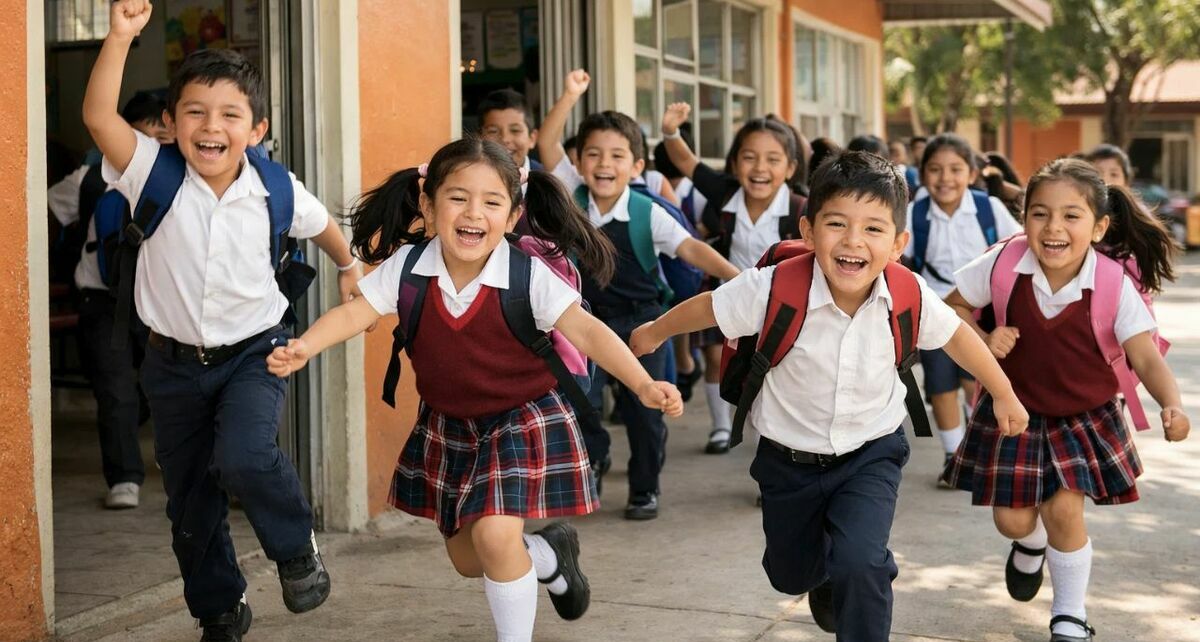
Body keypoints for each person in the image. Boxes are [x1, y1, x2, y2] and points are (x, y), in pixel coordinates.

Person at [267, 137, 683, 642]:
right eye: (458, 197)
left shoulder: (528, 275)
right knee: (470, 559)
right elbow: (358, 311)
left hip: (522, 416)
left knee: (493, 533)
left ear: (512, 217)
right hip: (450, 422)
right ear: (428, 203)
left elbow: (588, 331)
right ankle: (549, 557)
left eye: (491, 202)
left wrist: (641, 383)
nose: (473, 213)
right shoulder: (410, 268)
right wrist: (305, 346)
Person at [629, 151, 1028, 642]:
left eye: (874, 229)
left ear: (899, 243)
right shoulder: (774, 287)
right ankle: (832, 573)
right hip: (786, 459)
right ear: (809, 230)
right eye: (837, 223)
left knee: (862, 560)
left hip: (870, 452)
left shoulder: (909, 294)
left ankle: (862, 569)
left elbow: (958, 337)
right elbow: (709, 308)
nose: (854, 241)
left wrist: (1004, 393)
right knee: (789, 574)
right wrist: (654, 331)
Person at [82, 2, 362, 638]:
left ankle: (295, 548)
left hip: (253, 355)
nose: (212, 127)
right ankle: (219, 609)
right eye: (195, 113)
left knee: (245, 457)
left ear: (256, 128)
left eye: (230, 115)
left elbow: (320, 226)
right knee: (189, 501)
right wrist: (122, 36)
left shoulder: (275, 186)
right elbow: (99, 115)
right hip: (171, 364)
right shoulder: (151, 171)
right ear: (170, 123)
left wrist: (349, 267)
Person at [942, 158, 1189, 642]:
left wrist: (1171, 404)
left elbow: (1145, 356)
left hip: (1083, 415)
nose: (1053, 228)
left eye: (1071, 216)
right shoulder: (1004, 262)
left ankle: (1069, 614)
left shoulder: (1114, 284)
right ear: (1024, 217)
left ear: (1098, 227)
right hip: (1014, 409)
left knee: (1064, 511)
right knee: (1012, 519)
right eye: (1040, 214)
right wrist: (983, 334)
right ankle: (1030, 546)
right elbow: (951, 308)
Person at [537, 70, 739, 519]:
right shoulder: (571, 197)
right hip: (582, 322)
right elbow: (547, 143)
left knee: (645, 414)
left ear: (636, 167)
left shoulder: (648, 212)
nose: (603, 163)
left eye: (616, 155)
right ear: (579, 161)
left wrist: (737, 276)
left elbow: (691, 248)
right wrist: (570, 96)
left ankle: (644, 487)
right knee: (580, 404)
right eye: (593, 154)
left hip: (641, 325)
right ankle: (595, 455)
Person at [47, 91, 171, 510]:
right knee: (115, 388)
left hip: (156, 302)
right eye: (149, 128)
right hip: (100, 299)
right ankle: (124, 477)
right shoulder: (89, 178)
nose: (158, 137)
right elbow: (42, 212)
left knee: (159, 388)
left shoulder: (178, 178)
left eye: (163, 128)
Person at [657, 102, 803, 454]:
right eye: (750, 157)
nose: (760, 168)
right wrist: (670, 131)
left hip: (780, 305)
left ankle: (769, 447)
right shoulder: (725, 192)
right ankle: (721, 428)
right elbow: (685, 162)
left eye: (773, 159)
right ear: (735, 163)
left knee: (770, 375)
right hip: (727, 293)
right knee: (715, 358)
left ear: (791, 167)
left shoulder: (800, 207)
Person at [903, 133, 1023, 474]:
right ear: (923, 174)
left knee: (976, 381)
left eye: (956, 169)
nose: (946, 178)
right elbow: (899, 259)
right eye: (936, 169)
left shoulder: (989, 208)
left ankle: (981, 443)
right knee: (941, 385)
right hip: (934, 310)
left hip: (980, 311)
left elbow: (1015, 248)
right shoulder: (915, 214)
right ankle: (953, 456)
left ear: (971, 173)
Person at [478, 88, 541, 174]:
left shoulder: (548, 179)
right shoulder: (467, 179)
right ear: (479, 137)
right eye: (493, 131)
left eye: (515, 130)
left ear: (532, 138)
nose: (505, 139)